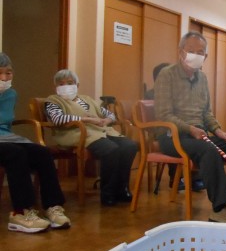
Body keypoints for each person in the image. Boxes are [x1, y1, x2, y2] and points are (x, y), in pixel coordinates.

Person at [154, 31, 226, 223]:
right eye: (190, 50)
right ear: (180, 51)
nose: (195, 55)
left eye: (200, 52)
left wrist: (218, 131)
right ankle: (219, 209)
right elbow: (164, 114)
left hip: (200, 136)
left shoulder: (202, 78)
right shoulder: (167, 75)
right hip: (172, 137)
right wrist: (190, 129)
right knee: (209, 150)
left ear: (205, 56)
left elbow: (206, 112)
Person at [45, 69, 138, 207]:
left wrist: (107, 120)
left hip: (101, 131)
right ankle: (108, 193)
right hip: (79, 134)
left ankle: (122, 188)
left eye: (70, 83)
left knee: (129, 146)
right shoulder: (53, 101)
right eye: (61, 84)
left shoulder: (87, 99)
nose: (66, 86)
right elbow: (57, 119)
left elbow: (109, 114)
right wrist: (87, 119)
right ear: (56, 87)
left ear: (77, 85)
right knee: (111, 150)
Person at [0, 53, 71, 232]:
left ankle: (53, 206)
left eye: (8, 73)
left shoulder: (11, 94)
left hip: (5, 137)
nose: (4, 78)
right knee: (16, 153)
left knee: (42, 152)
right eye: (0, 73)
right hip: (5, 143)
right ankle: (20, 213)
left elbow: (5, 121)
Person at [147, 62, 205, 193]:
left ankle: (195, 177)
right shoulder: (152, 94)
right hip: (161, 131)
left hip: (180, 128)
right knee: (174, 138)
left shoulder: (180, 92)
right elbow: (162, 115)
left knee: (194, 139)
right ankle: (175, 178)